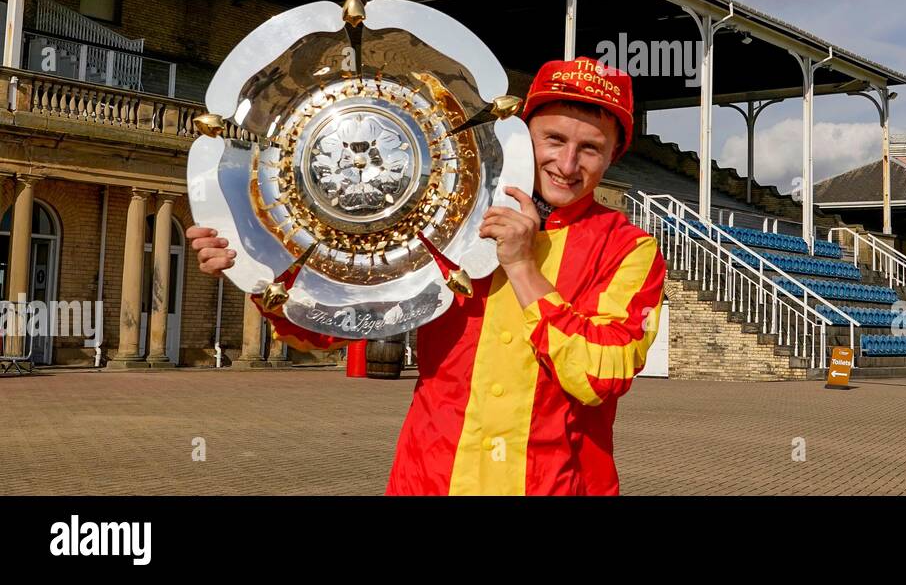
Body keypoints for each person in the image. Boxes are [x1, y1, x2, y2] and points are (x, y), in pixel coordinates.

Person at [187, 56, 666, 495]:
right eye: (554, 140)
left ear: (612, 157)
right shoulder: (446, 215)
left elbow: (599, 376)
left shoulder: (631, 250)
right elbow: (328, 333)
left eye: (590, 149)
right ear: (522, 135)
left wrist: (521, 266)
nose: (566, 164)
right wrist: (256, 269)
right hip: (430, 479)